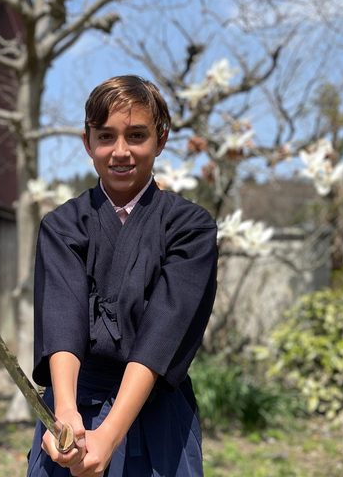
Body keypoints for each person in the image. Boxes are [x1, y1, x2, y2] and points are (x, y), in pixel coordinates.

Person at [26, 75, 218, 477]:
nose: (120, 152)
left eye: (136, 135)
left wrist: (110, 434)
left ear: (161, 140)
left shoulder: (190, 228)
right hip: (73, 416)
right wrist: (64, 415)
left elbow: (163, 332)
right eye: (106, 136)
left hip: (155, 413)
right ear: (87, 142)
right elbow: (62, 318)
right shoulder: (62, 226)